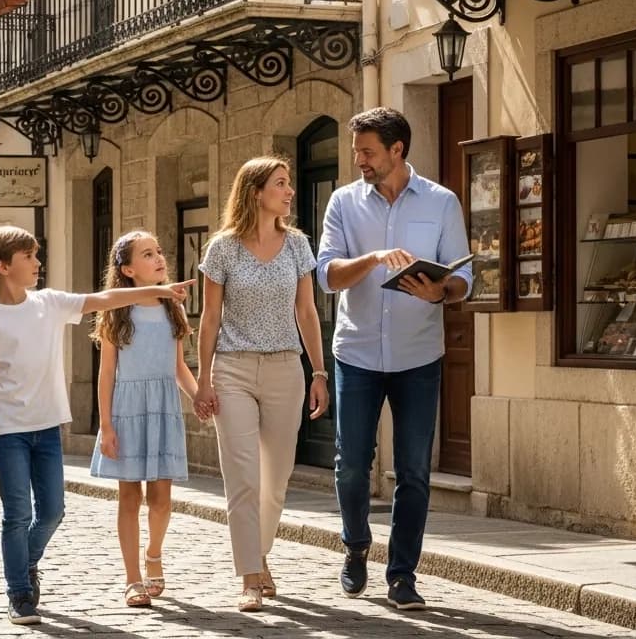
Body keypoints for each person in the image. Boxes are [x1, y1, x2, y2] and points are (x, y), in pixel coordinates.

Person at [0, 224, 193, 625]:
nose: (38, 262)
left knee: (51, 512)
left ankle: (24, 561)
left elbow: (105, 297)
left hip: (48, 426)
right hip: (6, 429)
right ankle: (19, 591)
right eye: (29, 257)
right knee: (17, 513)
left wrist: (158, 291)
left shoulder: (50, 302)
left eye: (36, 254)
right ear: (3, 267)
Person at [315, 106, 472, 610]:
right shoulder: (343, 203)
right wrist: (375, 259)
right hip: (356, 352)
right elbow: (327, 275)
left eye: (367, 150)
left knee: (413, 471)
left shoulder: (442, 202)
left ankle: (403, 575)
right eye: (356, 150)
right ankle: (356, 544)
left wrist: (439, 292)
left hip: (419, 355)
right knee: (352, 466)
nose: (359, 159)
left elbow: (462, 280)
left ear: (397, 150)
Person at [194, 155, 330, 613]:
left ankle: (261, 552)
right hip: (231, 369)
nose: (290, 191)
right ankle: (250, 576)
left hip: (285, 368)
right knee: (243, 478)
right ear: (256, 191)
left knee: (276, 480)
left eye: (290, 183)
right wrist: (203, 379)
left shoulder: (297, 245)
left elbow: (307, 312)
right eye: (281, 184)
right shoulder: (223, 248)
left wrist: (319, 370)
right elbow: (210, 318)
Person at [89, 230, 207, 609]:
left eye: (159, 252)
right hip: (126, 409)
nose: (159, 259)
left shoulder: (172, 306)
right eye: (147, 254)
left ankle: (153, 553)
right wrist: (106, 425)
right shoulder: (116, 310)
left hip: (162, 407)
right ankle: (132, 578)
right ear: (126, 270)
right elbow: (106, 373)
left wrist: (198, 396)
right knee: (129, 497)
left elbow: (177, 367)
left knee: (160, 499)